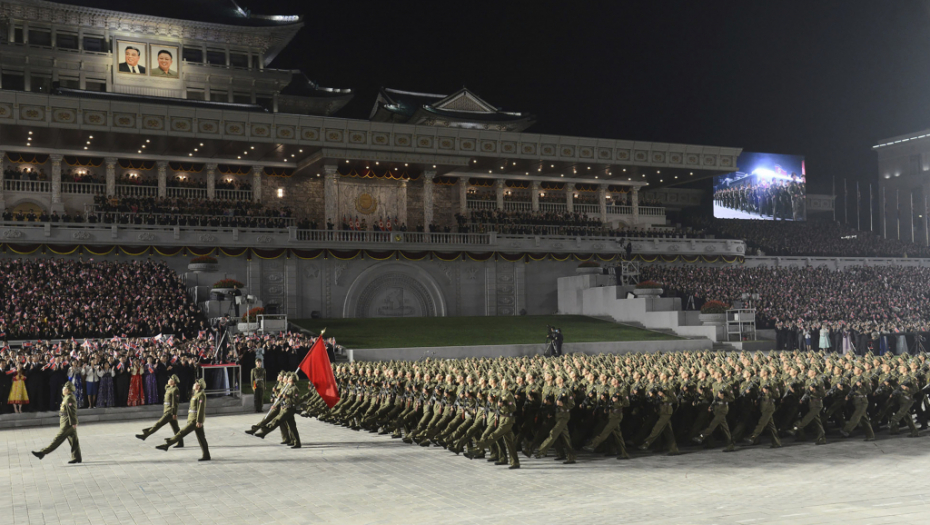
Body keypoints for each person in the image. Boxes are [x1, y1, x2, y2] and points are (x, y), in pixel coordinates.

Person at [156, 378, 210, 461]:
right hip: (193, 418)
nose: (194, 385)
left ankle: (167, 444)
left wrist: (199, 421)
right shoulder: (196, 394)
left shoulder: (201, 395)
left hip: (195, 420)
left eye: (196, 384)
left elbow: (201, 409)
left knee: (182, 432)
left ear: (198, 386)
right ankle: (206, 455)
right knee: (201, 437)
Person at [32, 382, 82, 464]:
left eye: (64, 389)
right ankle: (76, 457)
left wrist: (73, 423)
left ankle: (42, 452)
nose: (62, 390)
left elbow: (72, 411)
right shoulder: (66, 397)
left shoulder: (69, 398)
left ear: (68, 390)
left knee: (57, 439)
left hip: (67, 424)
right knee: (74, 441)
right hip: (66, 421)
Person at [136, 374, 183, 446]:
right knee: (175, 428)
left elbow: (175, 403)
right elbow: (166, 387)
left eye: (170, 380)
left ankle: (145, 435)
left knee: (158, 424)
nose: (169, 380)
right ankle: (180, 442)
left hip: (170, 412)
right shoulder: (169, 388)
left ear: (174, 382)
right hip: (167, 410)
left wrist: (174, 413)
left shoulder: (175, 390)